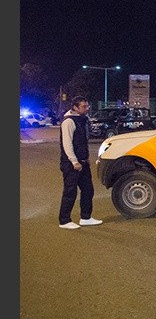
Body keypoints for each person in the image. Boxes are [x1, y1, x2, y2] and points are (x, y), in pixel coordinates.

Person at [58, 96, 102, 230]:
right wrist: (74, 161)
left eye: (87, 106)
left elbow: (82, 142)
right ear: (75, 107)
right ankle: (64, 220)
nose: (87, 108)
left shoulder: (82, 120)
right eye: (84, 106)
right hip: (71, 164)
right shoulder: (69, 122)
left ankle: (86, 217)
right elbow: (67, 144)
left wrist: (85, 159)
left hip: (82, 162)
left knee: (88, 190)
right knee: (70, 192)